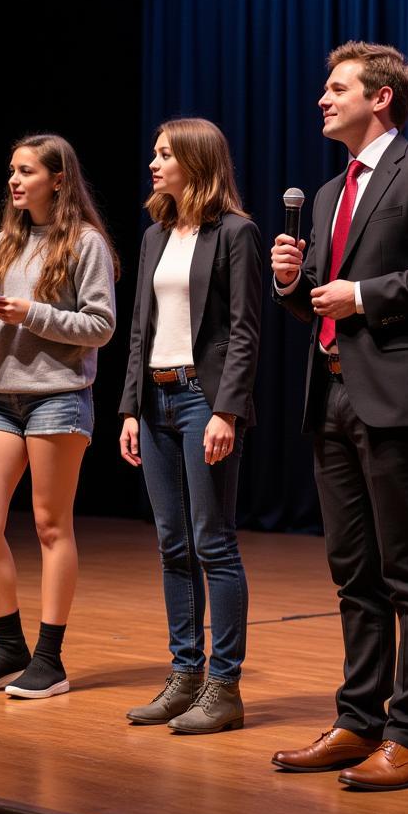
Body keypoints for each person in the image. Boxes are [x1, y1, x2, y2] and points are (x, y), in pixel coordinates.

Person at [270, 42, 408, 789]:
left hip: (401, 398)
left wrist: (360, 295)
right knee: (353, 574)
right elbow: (317, 306)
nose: (323, 99)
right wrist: (295, 285)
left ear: (380, 97)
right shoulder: (329, 194)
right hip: (332, 393)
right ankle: (358, 722)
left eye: (337, 88)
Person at [0, 133, 118, 699]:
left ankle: (50, 659)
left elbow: (101, 326)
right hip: (1, 393)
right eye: (12, 171)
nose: (15, 181)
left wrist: (32, 313)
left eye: (26, 172)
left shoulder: (85, 243)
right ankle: (9, 646)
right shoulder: (4, 244)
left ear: (58, 179)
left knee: (50, 526)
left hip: (58, 395)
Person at [119, 119, 262, 733]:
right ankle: (185, 676)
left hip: (204, 397)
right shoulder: (155, 235)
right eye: (154, 153)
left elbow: (245, 331)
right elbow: (137, 331)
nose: (154, 164)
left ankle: (224, 687)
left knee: (213, 543)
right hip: (155, 400)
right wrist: (128, 408)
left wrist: (227, 410)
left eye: (165, 154)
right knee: (171, 544)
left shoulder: (236, 232)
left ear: (196, 162)